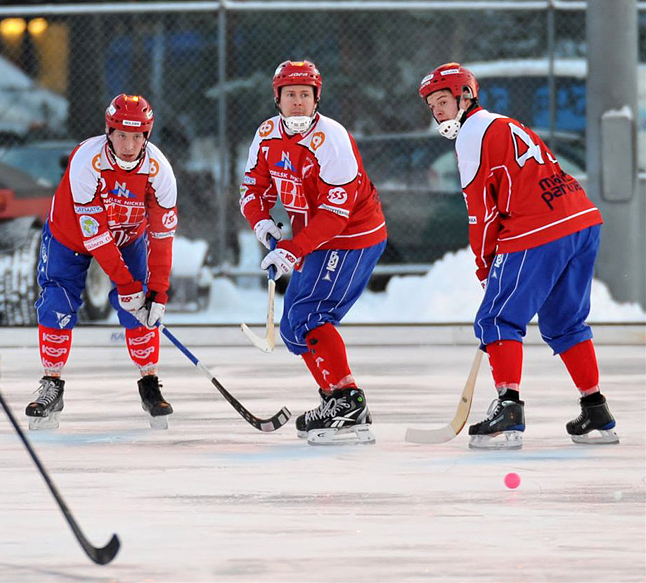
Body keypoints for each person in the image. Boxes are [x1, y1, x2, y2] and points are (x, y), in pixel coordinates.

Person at [418, 62, 618, 450]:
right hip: (581, 220)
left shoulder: (470, 134)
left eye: (443, 101)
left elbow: (482, 211)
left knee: (496, 318)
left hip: (539, 227)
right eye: (432, 106)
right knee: (564, 322)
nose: (438, 111)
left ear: (466, 96)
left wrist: (484, 264)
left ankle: (508, 411)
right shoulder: (505, 123)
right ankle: (596, 410)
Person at [239, 60, 387, 445]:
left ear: (317, 98)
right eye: (291, 95)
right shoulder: (267, 135)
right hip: (314, 239)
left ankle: (347, 401)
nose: (298, 103)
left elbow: (336, 215)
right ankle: (334, 400)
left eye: (306, 95)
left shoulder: (332, 140)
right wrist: (263, 223)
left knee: (309, 315)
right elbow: (253, 189)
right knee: (292, 329)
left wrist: (291, 251)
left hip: (351, 236)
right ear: (278, 99)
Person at [26, 93, 178, 430]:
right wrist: (125, 285)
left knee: (140, 311)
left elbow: (162, 237)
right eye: (121, 135)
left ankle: (149, 382)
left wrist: (157, 291)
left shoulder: (159, 171)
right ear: (108, 132)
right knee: (57, 302)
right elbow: (95, 236)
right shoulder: (86, 161)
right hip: (71, 237)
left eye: (137, 136)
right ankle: (52, 383)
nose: (128, 144)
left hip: (128, 238)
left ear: (147, 137)